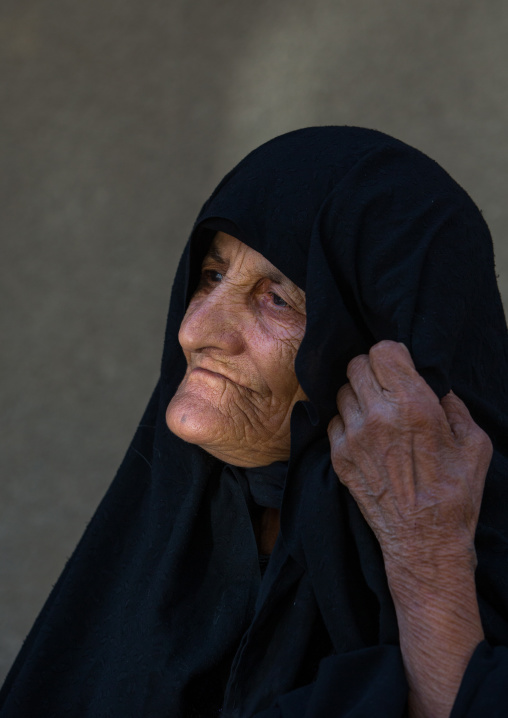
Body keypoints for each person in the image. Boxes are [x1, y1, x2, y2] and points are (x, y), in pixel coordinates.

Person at [1, 126, 508, 718]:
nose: (196, 333)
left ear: (379, 345)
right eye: (212, 276)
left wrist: (426, 559)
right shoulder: (157, 547)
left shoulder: (469, 566)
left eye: (277, 300)